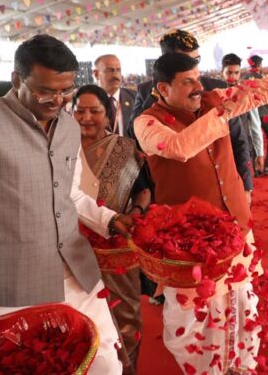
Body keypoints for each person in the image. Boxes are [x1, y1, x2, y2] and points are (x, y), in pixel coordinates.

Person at [133, 14, 268, 372]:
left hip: (233, 232)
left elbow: (266, 88)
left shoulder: (213, 99)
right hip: (188, 248)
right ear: (163, 89)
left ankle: (239, 366)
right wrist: (222, 112)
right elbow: (179, 147)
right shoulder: (146, 122)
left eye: (198, 78)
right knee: (192, 324)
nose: (198, 88)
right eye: (187, 83)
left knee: (241, 307)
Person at [0, 34, 133, 374]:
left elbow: (70, 193)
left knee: (105, 364)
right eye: (46, 91)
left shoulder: (69, 125)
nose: (57, 100)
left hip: (79, 275)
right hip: (16, 286)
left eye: (66, 91)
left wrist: (109, 220)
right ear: (17, 79)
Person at [72, 85, 151, 373]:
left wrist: (136, 213)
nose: (86, 117)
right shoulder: (59, 150)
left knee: (127, 321)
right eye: (79, 110)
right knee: (82, 324)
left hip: (117, 249)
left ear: (108, 114)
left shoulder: (124, 149)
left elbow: (143, 191)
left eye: (94, 111)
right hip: (73, 251)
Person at [129, 29, 255, 192]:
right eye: (186, 60)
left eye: (197, 59)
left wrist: (246, 186)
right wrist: (160, 95)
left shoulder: (215, 88)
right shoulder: (147, 91)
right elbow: (133, 137)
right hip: (173, 188)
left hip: (221, 188)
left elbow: (238, 139)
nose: (193, 66)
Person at [221, 52, 264, 182]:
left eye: (236, 73)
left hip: (243, 150)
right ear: (222, 73)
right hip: (222, 152)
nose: (233, 77)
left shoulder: (247, 94)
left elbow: (255, 125)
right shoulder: (214, 95)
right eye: (229, 73)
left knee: (245, 187)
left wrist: (259, 152)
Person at [243, 55, 268, 175]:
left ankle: (256, 168)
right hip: (264, 113)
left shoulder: (244, 78)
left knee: (253, 139)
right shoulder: (262, 78)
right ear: (259, 65)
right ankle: (267, 166)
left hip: (250, 113)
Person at [93, 54, 135, 137]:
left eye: (118, 70)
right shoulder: (87, 101)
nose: (115, 75)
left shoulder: (135, 97)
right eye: (110, 70)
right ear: (96, 74)